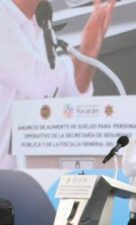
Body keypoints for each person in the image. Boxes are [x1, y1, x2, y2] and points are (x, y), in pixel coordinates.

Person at [0, 0, 116, 169]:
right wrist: (86, 49)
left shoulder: (38, 26)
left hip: (31, 171)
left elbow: (68, 95)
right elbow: (42, 82)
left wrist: (91, 48)